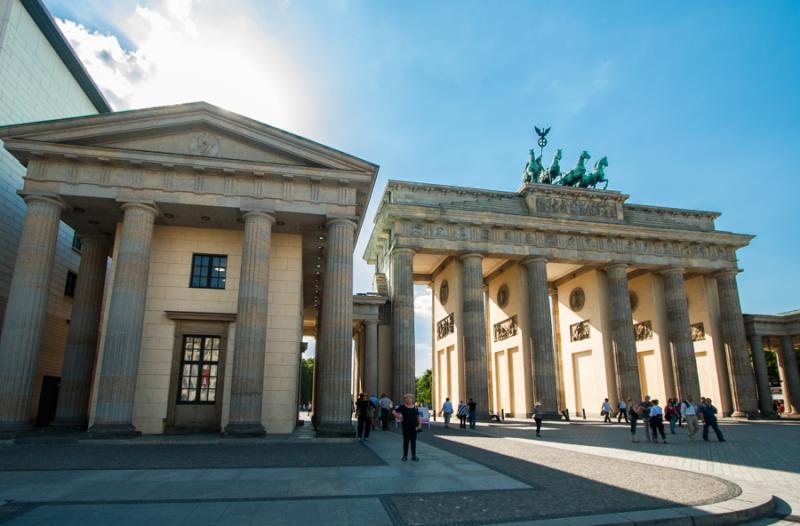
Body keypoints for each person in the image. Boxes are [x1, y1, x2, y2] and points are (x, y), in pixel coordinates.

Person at [393, 393, 421, 461]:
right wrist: (398, 416)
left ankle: (414, 455)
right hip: (406, 426)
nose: (408, 399)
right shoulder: (402, 407)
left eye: (410, 398)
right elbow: (393, 411)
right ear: (405, 400)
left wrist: (420, 424)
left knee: (413, 441)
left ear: (412, 399)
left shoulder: (415, 407)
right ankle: (405, 456)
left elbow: (418, 416)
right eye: (407, 398)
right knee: (406, 440)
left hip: (414, 426)